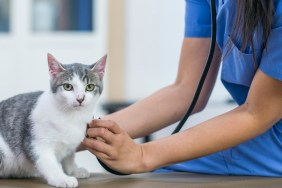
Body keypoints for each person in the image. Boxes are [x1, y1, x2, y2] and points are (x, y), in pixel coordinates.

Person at [83, 0, 282, 176]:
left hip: (270, 139)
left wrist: (142, 155)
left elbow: (257, 113)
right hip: (261, 132)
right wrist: (70, 133)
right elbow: (185, 90)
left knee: (161, 173)